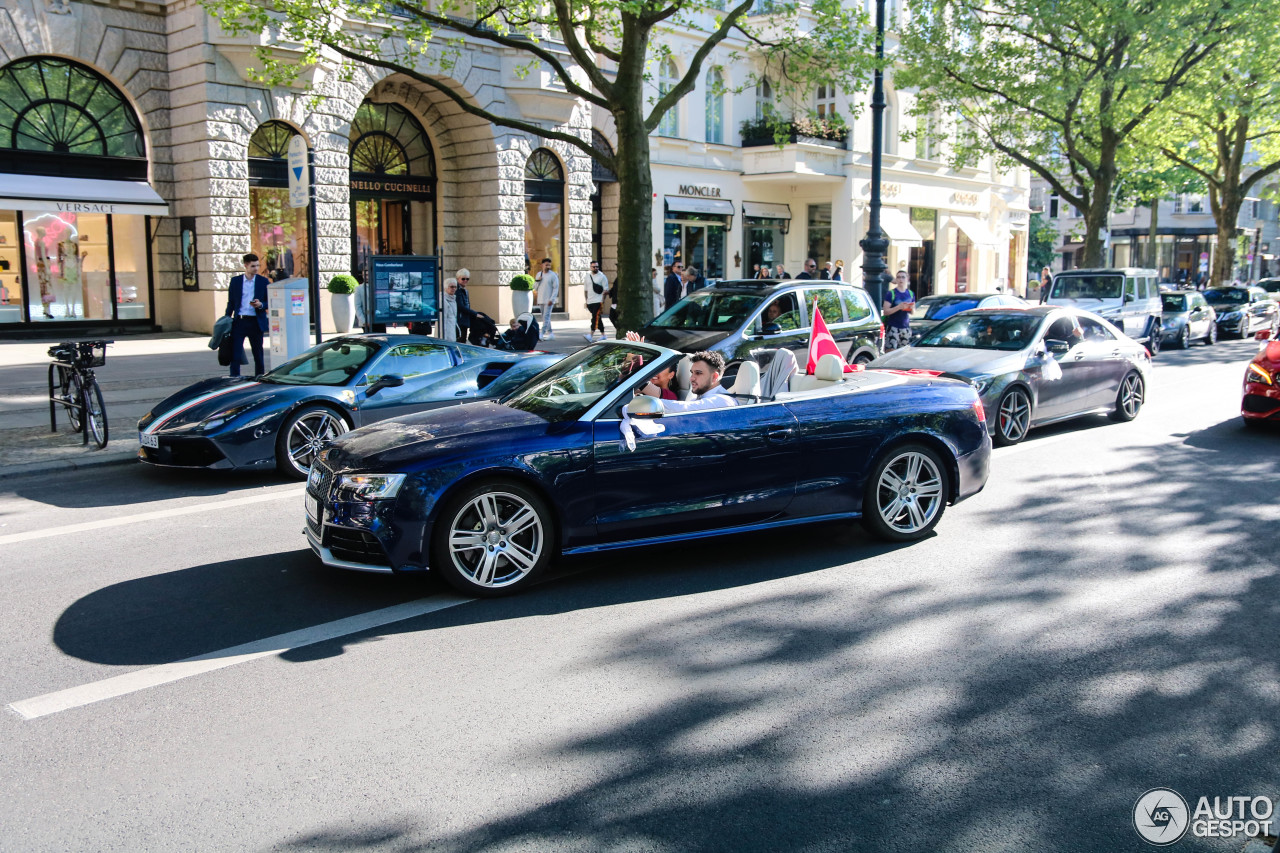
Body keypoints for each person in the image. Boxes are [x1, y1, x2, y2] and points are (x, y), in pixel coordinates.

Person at [638, 350, 735, 411]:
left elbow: (684, 408)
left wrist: (641, 404)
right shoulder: (696, 398)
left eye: (698, 373)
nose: (691, 378)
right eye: (692, 373)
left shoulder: (722, 401)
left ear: (714, 376)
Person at [223, 253, 270, 377]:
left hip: (256, 322)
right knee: (235, 353)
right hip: (240, 321)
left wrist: (261, 305)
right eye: (253, 266)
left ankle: (259, 378)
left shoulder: (263, 281)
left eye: (258, 266)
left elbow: (270, 302)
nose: (256, 268)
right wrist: (227, 318)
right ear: (246, 265)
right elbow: (231, 302)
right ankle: (234, 378)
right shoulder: (236, 281)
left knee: (258, 353)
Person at [882, 270, 915, 352]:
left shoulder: (910, 293)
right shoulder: (891, 293)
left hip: (906, 327)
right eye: (898, 277)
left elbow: (913, 312)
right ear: (896, 280)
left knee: (904, 354)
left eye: (903, 277)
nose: (901, 279)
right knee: (891, 353)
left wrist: (910, 308)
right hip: (893, 327)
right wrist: (899, 307)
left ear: (907, 279)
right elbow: (886, 311)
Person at [534, 258, 559, 339]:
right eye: (546, 265)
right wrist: (538, 280)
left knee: (546, 317)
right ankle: (551, 333)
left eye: (549, 265)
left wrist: (552, 299)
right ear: (542, 265)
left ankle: (542, 333)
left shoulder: (553, 275)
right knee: (545, 317)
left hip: (549, 300)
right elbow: (535, 287)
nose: (548, 266)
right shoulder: (539, 274)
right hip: (541, 299)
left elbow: (556, 288)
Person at [585, 259, 608, 341]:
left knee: (595, 317)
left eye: (597, 267)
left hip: (598, 301)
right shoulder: (587, 276)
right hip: (590, 301)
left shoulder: (602, 276)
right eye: (594, 267)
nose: (595, 268)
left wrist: (603, 301)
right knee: (597, 318)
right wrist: (586, 301)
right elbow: (586, 290)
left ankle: (591, 334)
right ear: (590, 267)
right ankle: (603, 335)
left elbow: (605, 290)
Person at [455, 268, 474, 343]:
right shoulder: (457, 290)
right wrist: (474, 313)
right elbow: (460, 306)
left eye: (467, 279)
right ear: (458, 279)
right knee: (460, 339)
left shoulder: (465, 291)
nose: (465, 280)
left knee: (463, 339)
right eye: (463, 279)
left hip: (465, 319)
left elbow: (467, 304)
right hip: (459, 319)